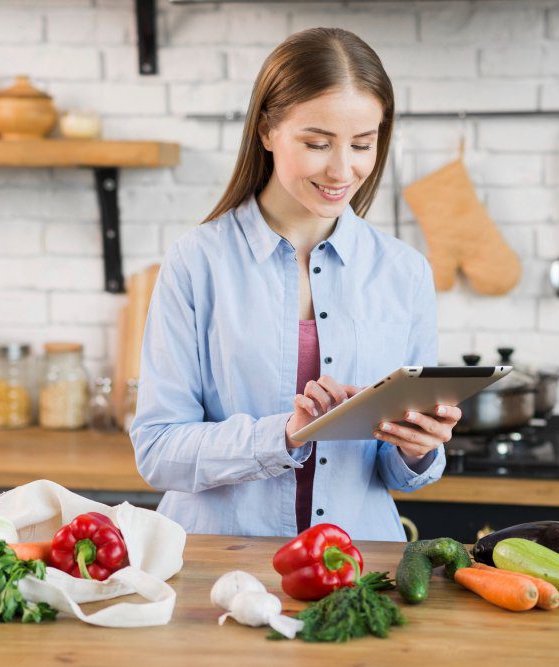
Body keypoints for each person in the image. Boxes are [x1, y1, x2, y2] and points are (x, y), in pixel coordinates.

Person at [129, 27, 462, 541]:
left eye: (362, 144)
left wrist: (418, 448)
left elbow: (396, 473)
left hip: (357, 566)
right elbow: (157, 451)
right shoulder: (196, 262)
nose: (342, 169)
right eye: (317, 143)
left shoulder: (405, 271)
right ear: (267, 130)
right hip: (219, 562)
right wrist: (283, 436)